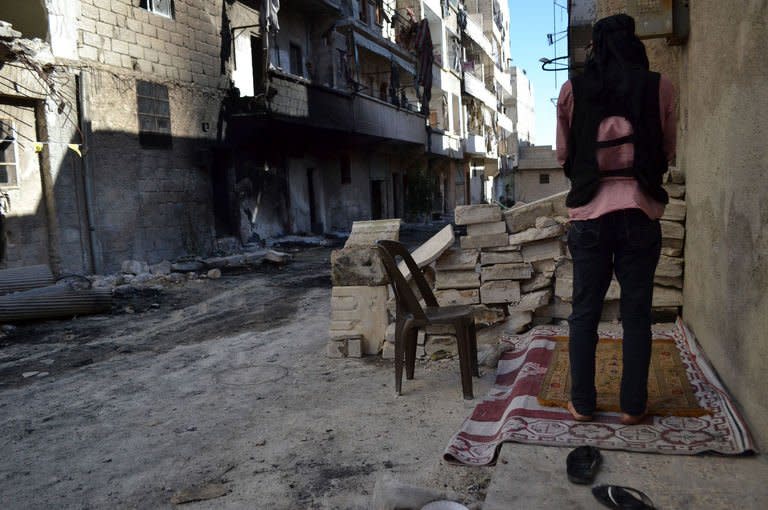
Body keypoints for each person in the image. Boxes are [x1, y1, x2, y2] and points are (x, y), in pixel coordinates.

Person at [555, 14, 676, 425]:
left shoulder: (572, 89)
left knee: (585, 311)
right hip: (640, 213)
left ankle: (583, 404)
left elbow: (562, 154)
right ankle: (633, 406)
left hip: (589, 215)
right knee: (637, 312)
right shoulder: (661, 87)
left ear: (596, 48)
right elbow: (668, 148)